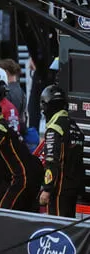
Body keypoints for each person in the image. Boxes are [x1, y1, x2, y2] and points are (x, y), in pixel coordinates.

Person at [39, 86, 85, 218]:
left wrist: (47, 189)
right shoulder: (74, 127)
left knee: (57, 230)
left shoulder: (55, 128)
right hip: (74, 188)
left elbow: (52, 160)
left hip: (59, 189)